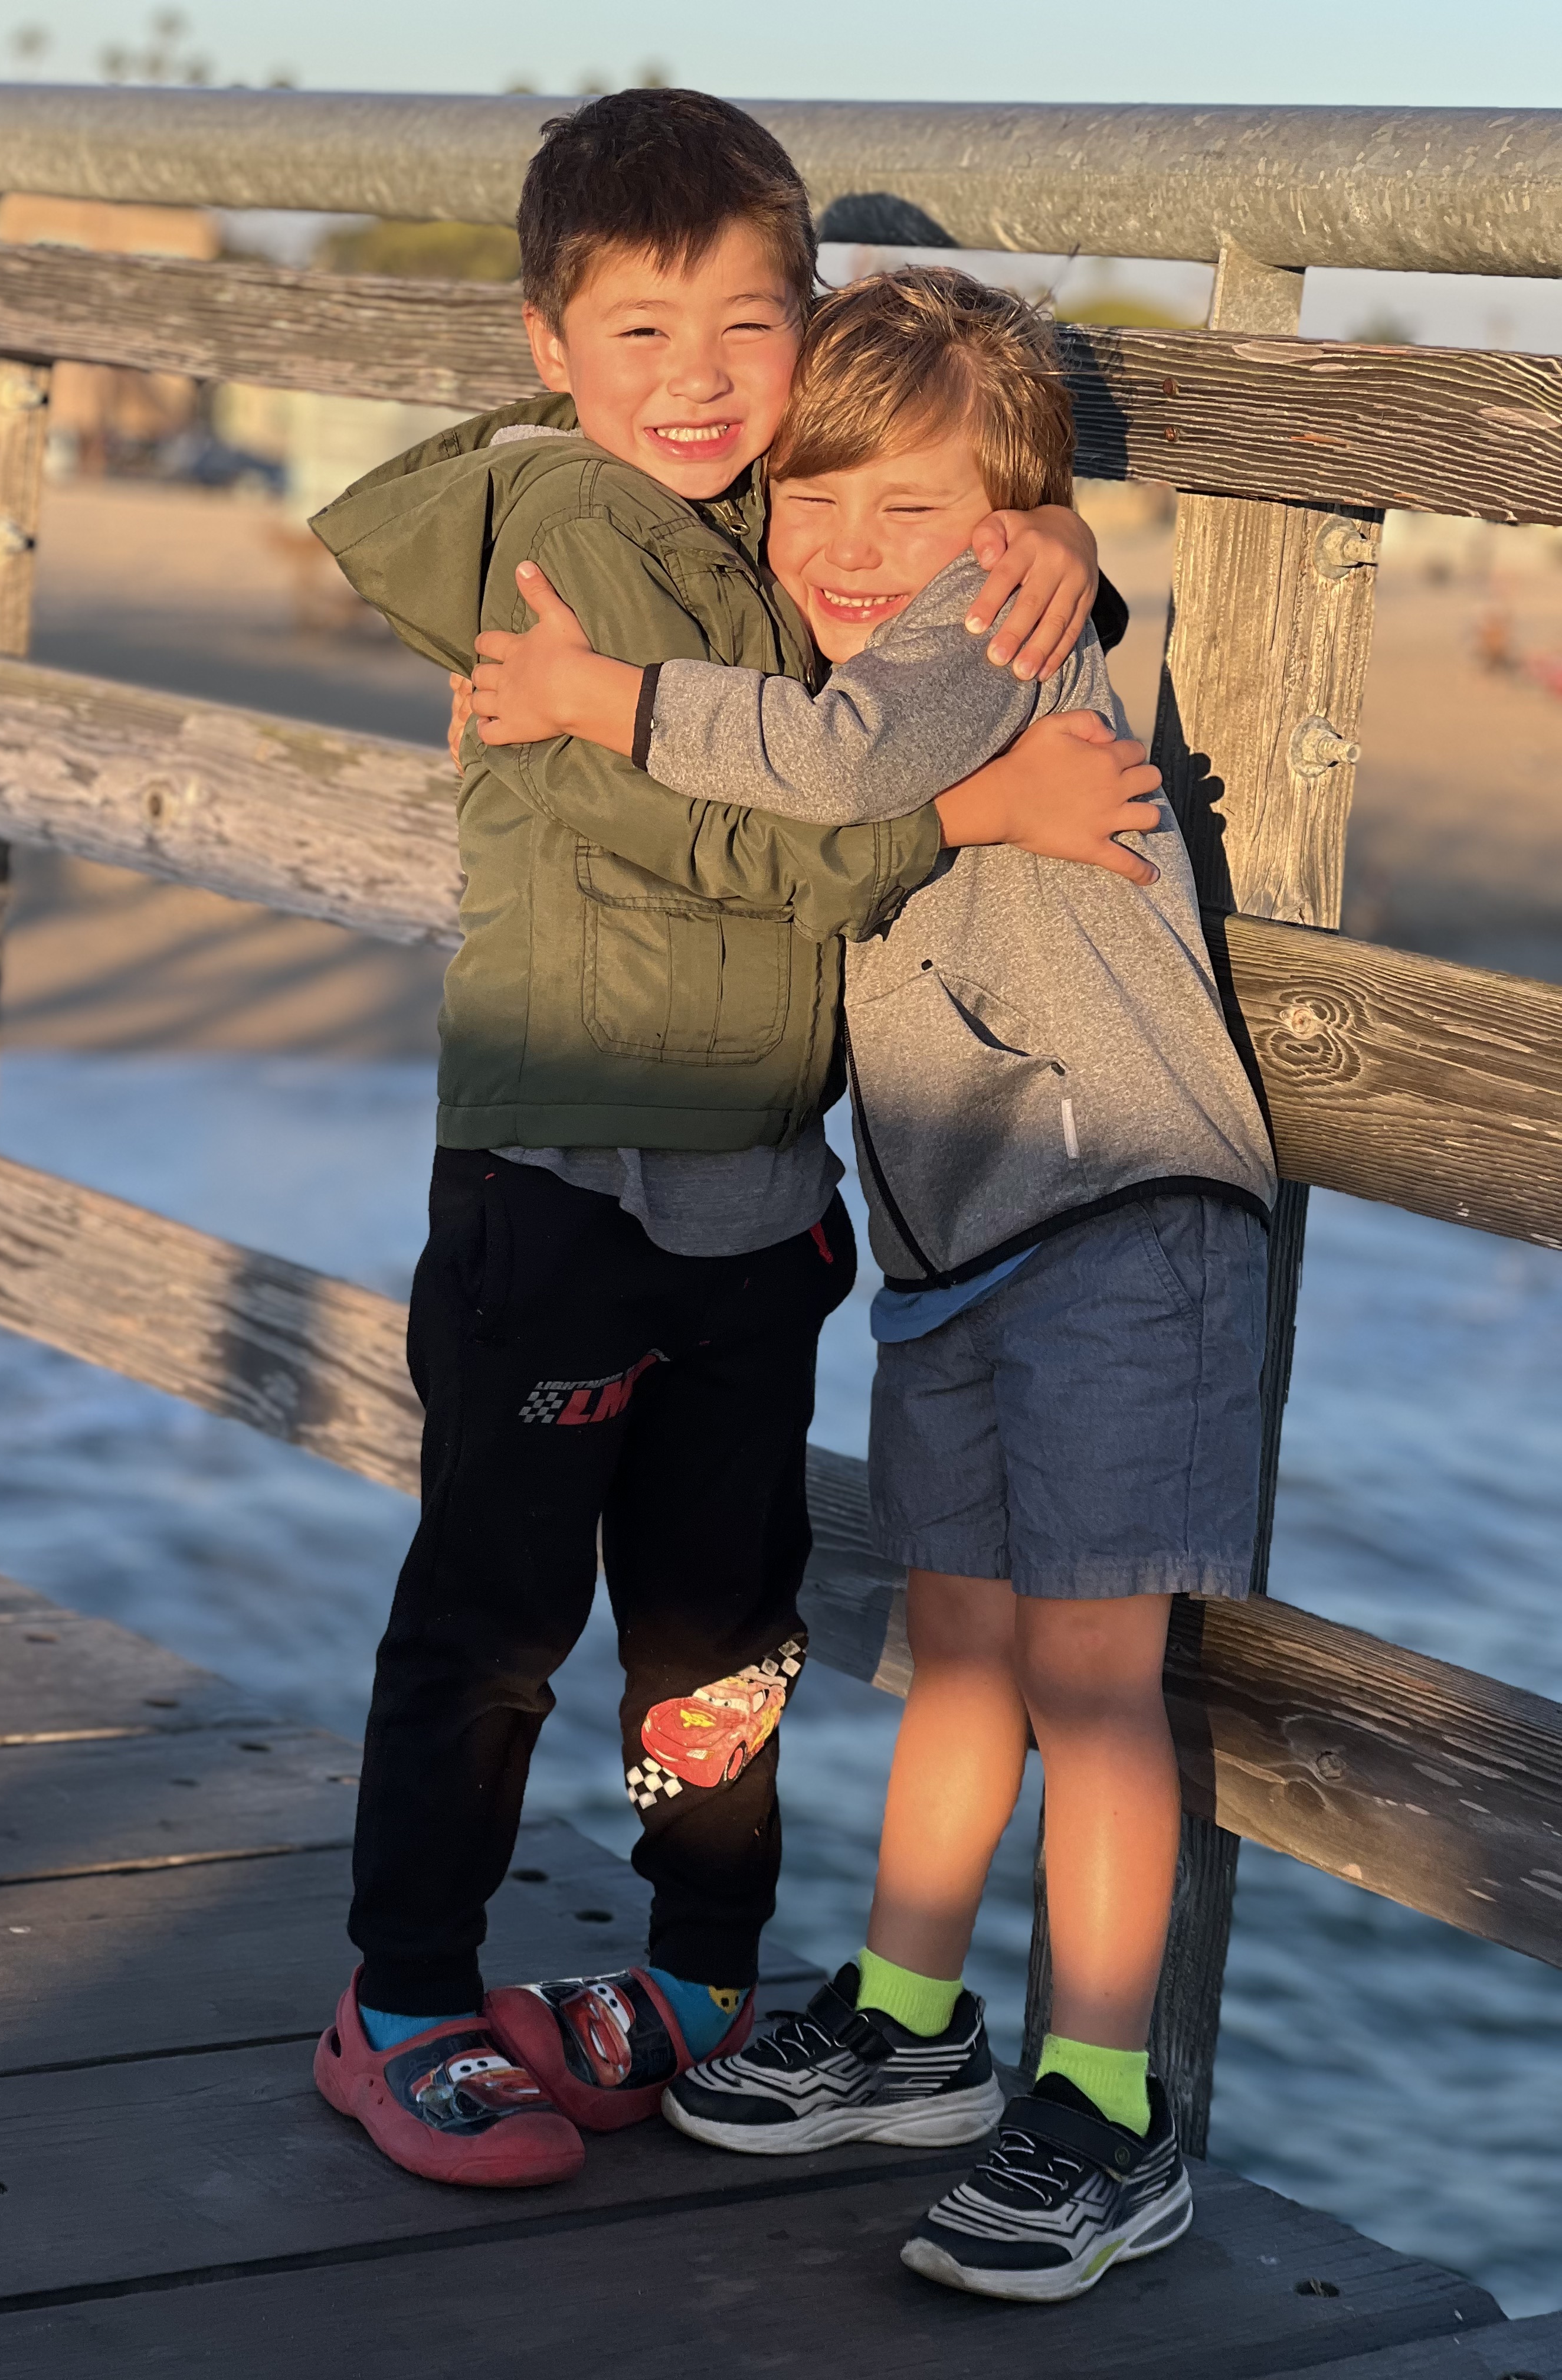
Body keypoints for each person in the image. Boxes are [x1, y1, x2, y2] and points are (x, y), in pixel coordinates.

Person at [304, 91, 1154, 2190]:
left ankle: (703, 1976)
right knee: (500, 1611)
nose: (698, 384)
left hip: (758, 1198)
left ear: (802, 340)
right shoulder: (570, 540)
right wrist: (965, 821)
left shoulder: (761, 514)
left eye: (746, 333)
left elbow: (923, 562)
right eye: (640, 335)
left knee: (722, 1622)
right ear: (544, 341)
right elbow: (688, 842)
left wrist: (1057, 540)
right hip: (572, 1176)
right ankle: (402, 1993)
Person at [467, 263, 1276, 2296]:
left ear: (996, 535)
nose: (844, 548)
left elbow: (830, 768)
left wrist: (598, 702)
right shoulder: (908, 611)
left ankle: (1107, 2106)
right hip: (957, 1256)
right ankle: (914, 2021)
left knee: (1090, 1686)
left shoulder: (975, 639)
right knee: (963, 1665)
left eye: (906, 510)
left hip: (1123, 1231)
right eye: (813, 499)